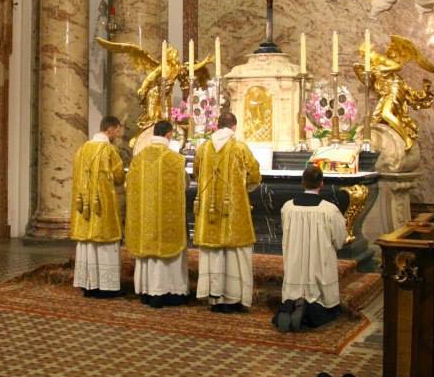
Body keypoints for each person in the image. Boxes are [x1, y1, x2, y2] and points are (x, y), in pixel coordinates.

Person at [193, 111, 262, 312]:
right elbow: (254, 174)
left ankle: (214, 296)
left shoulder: (203, 148)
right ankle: (234, 297)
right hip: (232, 210)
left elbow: (197, 173)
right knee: (234, 251)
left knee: (213, 251)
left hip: (209, 211)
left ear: (217, 126)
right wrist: (243, 188)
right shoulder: (239, 148)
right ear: (234, 127)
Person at [125, 120, 190, 309]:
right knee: (169, 253)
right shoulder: (175, 160)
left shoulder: (138, 159)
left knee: (149, 253)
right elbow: (184, 184)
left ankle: (148, 291)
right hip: (167, 220)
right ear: (169, 135)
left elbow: (130, 187)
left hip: (146, 220)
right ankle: (170, 292)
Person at [275, 164, 347, 332]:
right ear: (321, 183)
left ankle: (289, 308)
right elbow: (339, 239)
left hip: (295, 264)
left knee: (293, 293)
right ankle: (306, 311)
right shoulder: (329, 210)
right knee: (321, 304)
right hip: (319, 265)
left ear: (302, 182)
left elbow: (285, 232)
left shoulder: (288, 207)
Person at [70, 115, 126, 298]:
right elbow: (119, 176)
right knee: (104, 244)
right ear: (110, 129)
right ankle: (106, 287)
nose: (117, 134)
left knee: (88, 245)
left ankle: (89, 285)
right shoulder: (109, 150)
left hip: (84, 208)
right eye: (117, 130)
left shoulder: (82, 149)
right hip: (102, 207)